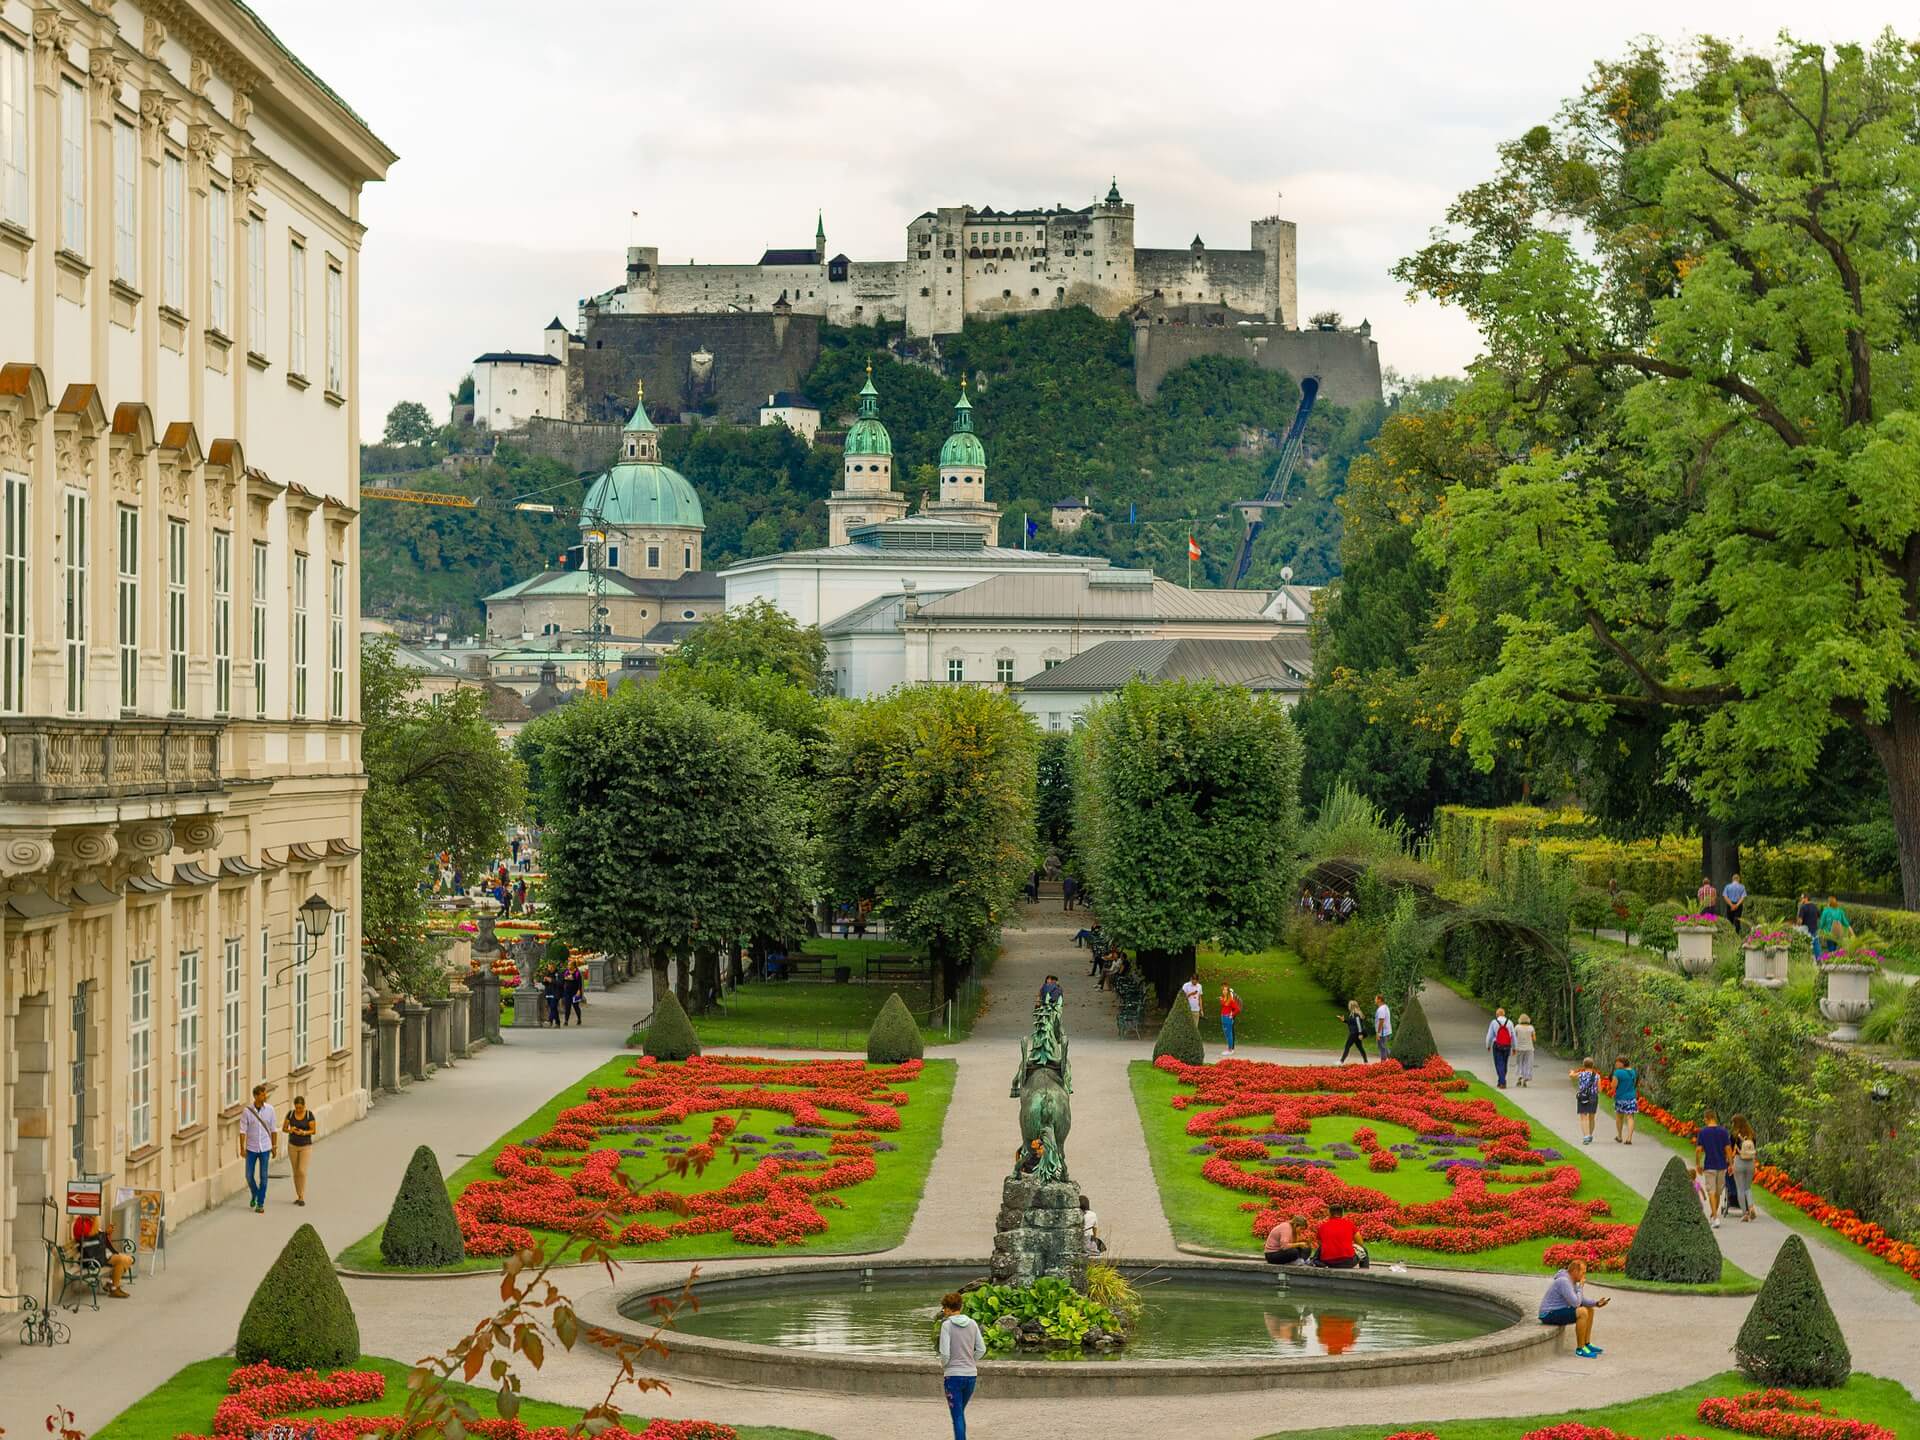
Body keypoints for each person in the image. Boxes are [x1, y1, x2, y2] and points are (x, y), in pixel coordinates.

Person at [1538, 1258, 1607, 1358]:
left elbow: (1581, 1300)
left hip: (1557, 1311)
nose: (1584, 1276)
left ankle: (1586, 1344)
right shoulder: (1564, 1281)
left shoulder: (1572, 1281)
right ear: (1575, 1271)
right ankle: (1580, 1349)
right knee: (1582, 1312)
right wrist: (1580, 1287)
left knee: (1589, 1309)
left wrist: (1596, 1303)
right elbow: (1575, 1303)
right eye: (1582, 1273)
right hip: (1548, 1314)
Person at [937, 1292, 983, 1440]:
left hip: (953, 1376)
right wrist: (970, 1360)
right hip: (971, 1375)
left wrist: (945, 1366)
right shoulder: (973, 1324)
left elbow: (945, 1354)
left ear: (948, 1309)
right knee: (959, 1414)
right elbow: (981, 1349)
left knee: (957, 1416)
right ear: (960, 1306)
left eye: (944, 1308)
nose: (943, 1311)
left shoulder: (947, 1325)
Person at [73, 1217, 134, 1299]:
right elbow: (92, 1236)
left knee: (129, 1260)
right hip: (92, 1258)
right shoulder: (80, 1223)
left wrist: (107, 1233)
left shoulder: (89, 1221)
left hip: (100, 1253)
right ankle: (114, 1288)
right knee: (122, 1260)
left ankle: (111, 1283)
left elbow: (96, 1238)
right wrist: (95, 1219)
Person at [240, 1084, 277, 1213]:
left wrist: (274, 1146)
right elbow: (242, 1131)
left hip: (265, 1147)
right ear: (256, 1096)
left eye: (265, 1094)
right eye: (262, 1094)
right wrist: (242, 1148)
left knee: (264, 1176)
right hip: (251, 1148)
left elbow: (273, 1129)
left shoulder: (270, 1109)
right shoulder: (247, 1112)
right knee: (249, 1175)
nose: (265, 1096)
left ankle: (260, 1203)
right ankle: (255, 1193)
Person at [1695, 1108, 1732, 1228]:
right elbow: (1728, 1149)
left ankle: (1714, 1215)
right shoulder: (1723, 1132)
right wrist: (1731, 1164)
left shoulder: (1703, 1132)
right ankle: (1715, 1217)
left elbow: (1699, 1150)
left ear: (1707, 1118)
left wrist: (1698, 1164)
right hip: (1721, 1165)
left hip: (1709, 1165)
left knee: (1712, 1191)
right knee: (1717, 1191)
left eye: (1704, 1119)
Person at [282, 1095, 318, 1207]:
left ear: (304, 1106)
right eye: (297, 1108)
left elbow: (313, 1130)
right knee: (296, 1171)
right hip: (292, 1145)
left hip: (305, 1146)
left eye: (300, 1108)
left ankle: (302, 1196)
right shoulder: (290, 1114)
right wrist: (290, 1130)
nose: (298, 1110)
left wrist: (304, 1132)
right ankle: (298, 1195)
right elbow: (284, 1128)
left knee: (302, 1170)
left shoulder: (309, 1115)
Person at [1729, 1115, 1759, 1223]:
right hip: (1750, 1162)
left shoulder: (1734, 1135)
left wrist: (1730, 1164)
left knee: (1740, 1189)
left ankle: (1745, 1213)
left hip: (1739, 1161)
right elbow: (1755, 1149)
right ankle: (1751, 1207)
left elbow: (1730, 1148)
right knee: (1748, 1187)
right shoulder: (1752, 1134)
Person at [1313, 1204, 1360, 1269]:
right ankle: (1365, 1270)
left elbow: (1320, 1244)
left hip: (1327, 1262)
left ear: (1330, 1213)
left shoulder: (1322, 1227)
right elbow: (1360, 1243)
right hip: (1348, 1262)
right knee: (1364, 1251)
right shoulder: (1350, 1224)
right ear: (1342, 1214)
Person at [1570, 1057, 1600, 1145]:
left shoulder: (1581, 1074)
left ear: (1584, 1065)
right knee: (1592, 1117)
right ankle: (1590, 1134)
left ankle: (1586, 1136)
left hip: (1583, 1097)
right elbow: (1600, 1089)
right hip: (1593, 1097)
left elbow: (1572, 1076)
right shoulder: (1597, 1076)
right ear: (1592, 1065)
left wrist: (1572, 1072)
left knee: (1584, 1117)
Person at [1610, 1055, 1639, 1145]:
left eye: (1617, 1062)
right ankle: (1629, 1138)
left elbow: (1613, 1086)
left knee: (1619, 1117)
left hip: (1621, 1097)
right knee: (1630, 1117)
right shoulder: (1633, 1072)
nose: (1615, 1064)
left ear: (1622, 1063)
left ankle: (1619, 1136)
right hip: (1631, 1097)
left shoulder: (1618, 1073)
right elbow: (1635, 1083)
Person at [1486, 1007, 1516, 1088]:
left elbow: (1490, 1035)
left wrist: (1488, 1045)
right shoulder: (1509, 1022)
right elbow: (1513, 1036)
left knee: (1499, 1063)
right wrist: (1514, 1047)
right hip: (1507, 1045)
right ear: (1504, 1014)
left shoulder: (1494, 1022)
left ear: (1497, 1014)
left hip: (1497, 1045)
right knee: (1504, 1063)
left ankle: (1502, 1082)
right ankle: (1501, 1080)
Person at [1817, 895, 1852, 959]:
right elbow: (1845, 922)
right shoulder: (1840, 911)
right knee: (1835, 949)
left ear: (1829, 902)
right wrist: (1850, 929)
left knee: (1831, 949)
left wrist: (1820, 930)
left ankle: (1832, 961)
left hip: (1829, 934)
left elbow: (1822, 922)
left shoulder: (1826, 911)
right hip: (1838, 933)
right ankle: (1835, 960)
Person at [1513, 1014, 1537, 1087]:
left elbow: (1514, 1037)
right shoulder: (1531, 1028)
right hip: (1529, 1048)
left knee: (1519, 1062)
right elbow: (1534, 1039)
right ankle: (1525, 1078)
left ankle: (1520, 1076)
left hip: (1519, 1048)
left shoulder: (1517, 1027)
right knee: (1528, 1063)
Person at [1219, 985, 1242, 1054]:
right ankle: (1229, 1048)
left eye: (1226, 990)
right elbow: (1224, 1006)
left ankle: (1230, 1050)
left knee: (1229, 1034)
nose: (1224, 991)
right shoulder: (1223, 998)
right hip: (1223, 1017)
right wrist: (1221, 1000)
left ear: (1228, 991)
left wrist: (1232, 1015)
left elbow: (1237, 1009)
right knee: (1226, 1033)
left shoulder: (1231, 1000)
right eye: (1223, 990)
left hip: (1227, 1018)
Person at [1373, 994, 1392, 1063]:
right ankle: (1393, 1060)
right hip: (1386, 1031)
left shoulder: (1381, 1009)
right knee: (1383, 1047)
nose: (1375, 1000)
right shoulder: (1385, 1007)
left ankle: (1383, 1063)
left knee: (1382, 1048)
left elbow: (1381, 1021)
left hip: (1383, 1032)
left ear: (1379, 1000)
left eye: (1376, 999)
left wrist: (1378, 1033)